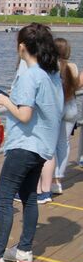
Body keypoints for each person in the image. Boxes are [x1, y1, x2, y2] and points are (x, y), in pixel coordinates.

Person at [0, 23, 63, 262]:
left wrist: (5, 101)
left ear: (22, 46)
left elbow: (24, 114)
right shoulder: (52, 75)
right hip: (43, 146)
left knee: (4, 198)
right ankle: (24, 251)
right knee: (29, 198)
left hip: (24, 145)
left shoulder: (31, 74)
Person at [35, 38, 79, 200]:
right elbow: (77, 85)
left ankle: (46, 178)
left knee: (50, 144)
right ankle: (57, 179)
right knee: (64, 143)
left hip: (57, 108)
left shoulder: (52, 67)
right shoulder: (72, 66)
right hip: (72, 107)